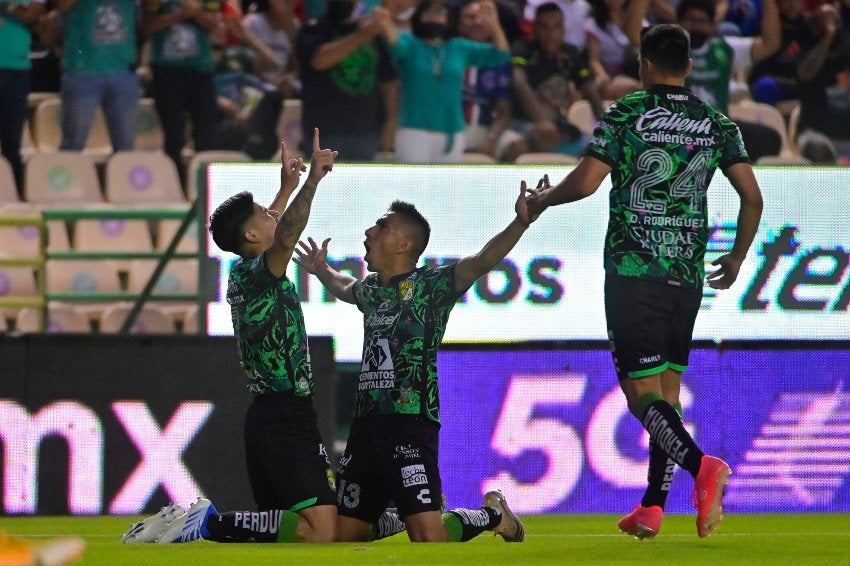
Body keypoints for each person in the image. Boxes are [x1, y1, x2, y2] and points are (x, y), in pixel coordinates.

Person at [525, 24, 763, 539]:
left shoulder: (628, 113)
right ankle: (653, 505)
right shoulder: (716, 122)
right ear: (689, 65)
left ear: (644, 64)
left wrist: (543, 200)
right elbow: (752, 197)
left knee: (640, 396)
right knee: (667, 395)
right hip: (686, 274)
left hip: (634, 272)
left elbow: (587, 182)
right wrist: (739, 258)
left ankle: (703, 468)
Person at [121, 130, 405, 545]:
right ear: (252, 237)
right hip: (283, 418)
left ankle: (400, 516)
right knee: (322, 530)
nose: (275, 215)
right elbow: (284, 234)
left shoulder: (245, 272)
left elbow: (270, 229)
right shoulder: (259, 275)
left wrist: (284, 188)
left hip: (276, 416)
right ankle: (205, 524)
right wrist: (311, 182)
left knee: (328, 530)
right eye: (265, 214)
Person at [294, 192, 531, 543]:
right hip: (366, 429)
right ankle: (399, 518)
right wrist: (321, 270)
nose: (370, 231)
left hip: (410, 425)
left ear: (404, 243)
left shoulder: (432, 286)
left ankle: (490, 515)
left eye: (382, 226)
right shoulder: (372, 289)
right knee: (342, 539)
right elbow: (346, 287)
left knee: (428, 539)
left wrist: (522, 221)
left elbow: (483, 260)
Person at [380, 0, 511, 163]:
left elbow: (500, 54)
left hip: (451, 130)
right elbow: (394, 43)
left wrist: (493, 23)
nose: (434, 18)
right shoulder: (410, 44)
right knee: (413, 185)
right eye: (428, 13)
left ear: (449, 19)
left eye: (440, 13)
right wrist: (384, 17)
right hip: (414, 129)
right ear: (418, 18)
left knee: (446, 186)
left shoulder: (459, 47)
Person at [295, 0, 399, 161]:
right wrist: (362, 36)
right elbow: (320, 61)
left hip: (366, 131)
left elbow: (388, 80)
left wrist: (390, 121)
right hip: (324, 132)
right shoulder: (313, 28)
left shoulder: (372, 33)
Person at [502, 1, 602, 161]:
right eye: (544, 27)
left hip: (559, 127)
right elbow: (519, 82)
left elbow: (589, 87)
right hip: (525, 123)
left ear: (563, 29)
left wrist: (608, 126)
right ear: (534, 28)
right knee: (540, 137)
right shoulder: (522, 50)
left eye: (556, 27)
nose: (551, 33)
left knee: (602, 150)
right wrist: (541, 121)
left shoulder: (571, 53)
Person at [142, 0, 222, 182]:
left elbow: (213, 24)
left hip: (201, 72)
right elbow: (148, 26)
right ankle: (175, 182)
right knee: (174, 133)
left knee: (206, 134)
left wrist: (195, 12)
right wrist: (180, 15)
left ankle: (204, 184)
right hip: (166, 71)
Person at [55, 0, 141, 154]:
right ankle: (71, 177)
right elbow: (61, 5)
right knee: (73, 144)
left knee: (126, 147)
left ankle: (119, 178)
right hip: (81, 69)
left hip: (123, 69)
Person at [455, 0, 514, 159]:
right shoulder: (448, 53)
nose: (478, 22)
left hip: (487, 129)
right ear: (459, 23)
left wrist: (491, 140)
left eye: (485, 17)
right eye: (471, 17)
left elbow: (504, 111)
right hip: (452, 128)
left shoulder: (500, 61)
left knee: (515, 145)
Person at [794, 2, 850, 163]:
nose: (829, 25)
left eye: (833, 21)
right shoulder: (806, 48)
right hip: (816, 133)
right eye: (823, 21)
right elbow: (804, 75)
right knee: (818, 149)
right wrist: (827, 37)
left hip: (846, 137)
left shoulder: (846, 51)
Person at [0, 0, 45, 197]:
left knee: (12, 144)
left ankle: (14, 198)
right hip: (15, 70)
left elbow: (31, 14)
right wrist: (13, 6)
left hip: (15, 69)